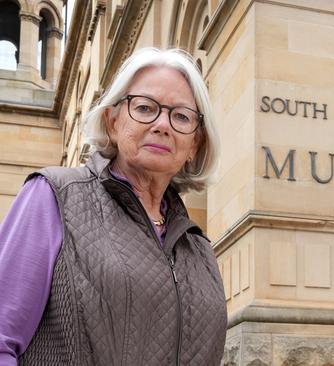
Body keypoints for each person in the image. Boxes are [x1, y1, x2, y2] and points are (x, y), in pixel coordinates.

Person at [0, 48, 227, 365]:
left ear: (195, 145)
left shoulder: (197, 246)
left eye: (181, 116)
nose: (163, 124)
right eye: (145, 108)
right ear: (113, 121)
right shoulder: (55, 196)